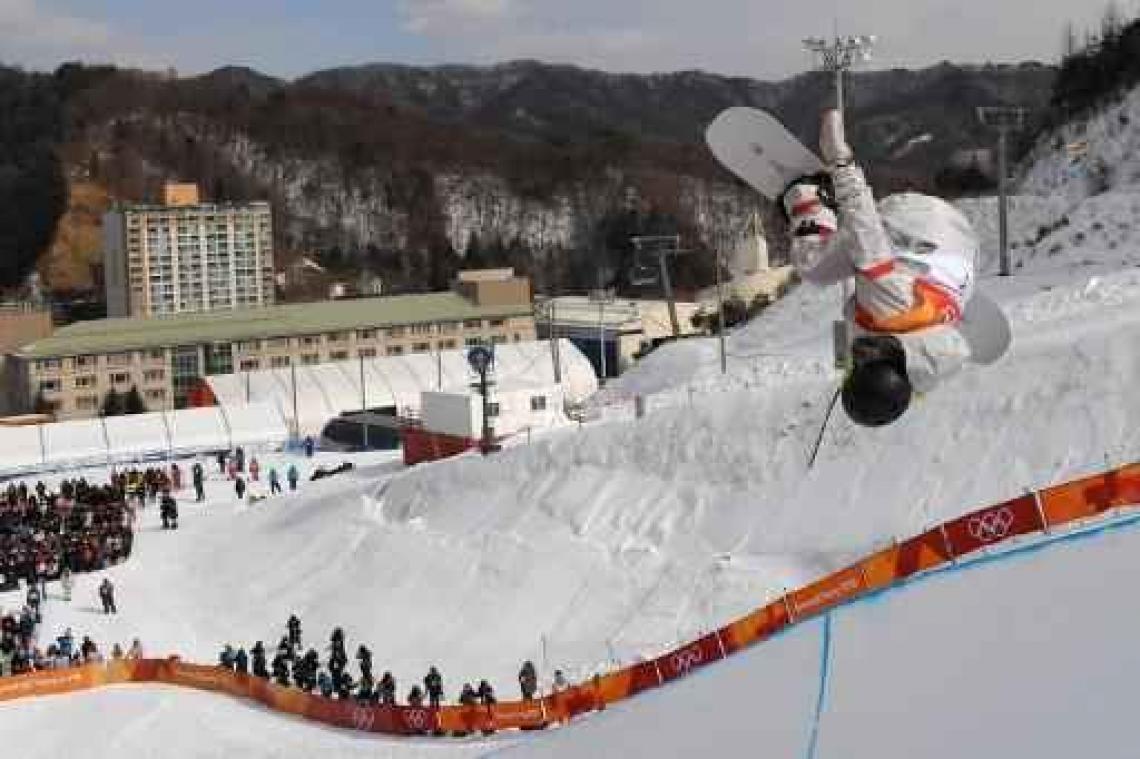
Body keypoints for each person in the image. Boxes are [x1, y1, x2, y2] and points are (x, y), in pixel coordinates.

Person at [782, 109, 979, 427]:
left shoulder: (929, 361)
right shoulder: (888, 309)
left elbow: (857, 341)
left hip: (962, 244)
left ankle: (951, 286)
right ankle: (809, 197)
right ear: (870, 365)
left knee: (912, 291)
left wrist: (843, 355)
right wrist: (840, 163)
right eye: (856, 366)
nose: (853, 362)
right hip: (910, 221)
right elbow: (865, 231)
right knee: (814, 268)